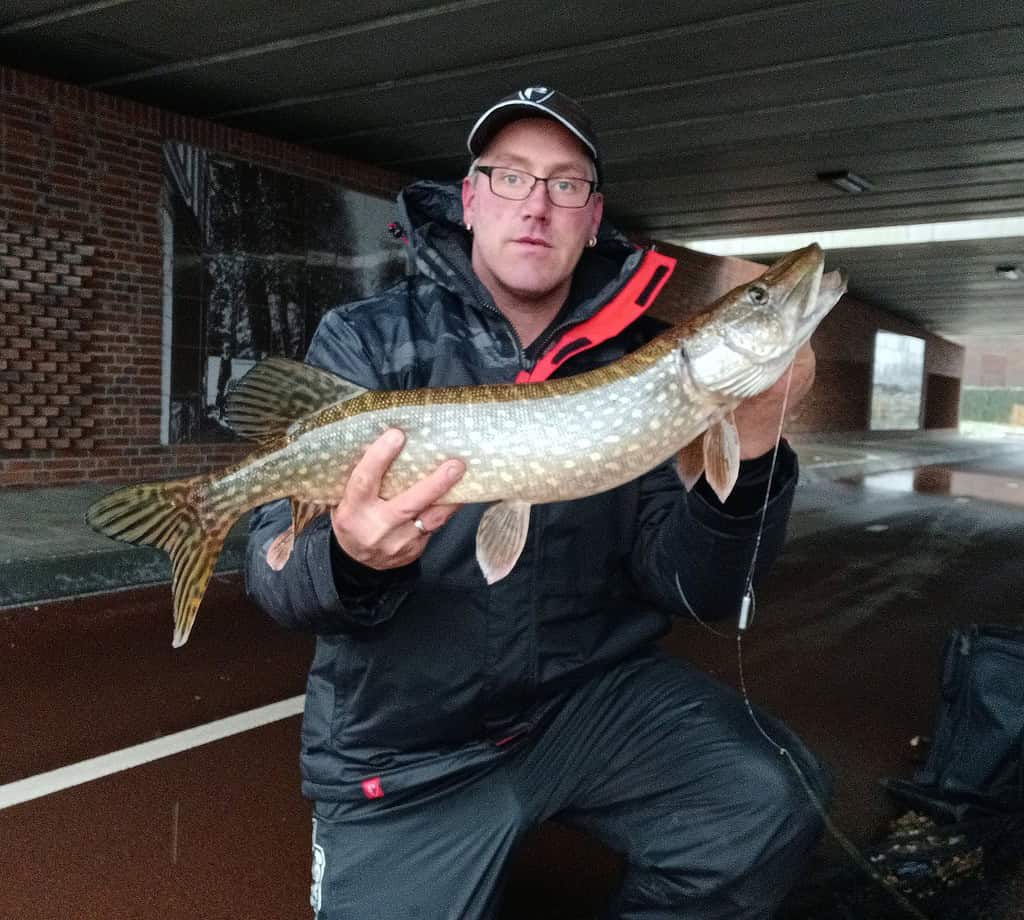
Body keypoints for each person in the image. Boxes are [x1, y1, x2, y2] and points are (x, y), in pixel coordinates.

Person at [246, 87, 830, 920]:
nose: (537, 206)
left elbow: (696, 589)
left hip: (590, 706)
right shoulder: (368, 340)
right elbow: (276, 574)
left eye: (565, 185)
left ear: (593, 218)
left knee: (769, 798)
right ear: (471, 198)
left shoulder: (645, 360)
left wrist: (760, 437)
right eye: (511, 178)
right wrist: (347, 558)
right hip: (408, 742)